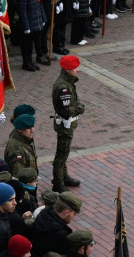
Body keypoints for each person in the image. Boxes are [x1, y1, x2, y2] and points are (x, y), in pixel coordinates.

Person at [51, 56, 84, 193]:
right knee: (61, 154)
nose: (77, 70)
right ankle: (58, 183)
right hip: (65, 125)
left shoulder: (67, 82)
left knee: (64, 152)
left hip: (67, 125)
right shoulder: (63, 87)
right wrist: (80, 108)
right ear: (68, 69)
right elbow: (67, 110)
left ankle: (63, 176)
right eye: (75, 67)